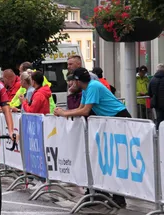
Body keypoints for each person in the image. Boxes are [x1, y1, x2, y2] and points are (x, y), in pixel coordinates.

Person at [54, 67, 129, 207]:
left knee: (116, 158)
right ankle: (107, 193)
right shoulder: (85, 89)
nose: (70, 84)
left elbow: (85, 111)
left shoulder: (93, 86)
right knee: (106, 158)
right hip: (110, 120)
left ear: (77, 81)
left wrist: (64, 113)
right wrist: (65, 111)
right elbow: (81, 108)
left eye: (72, 81)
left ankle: (119, 197)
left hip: (119, 118)